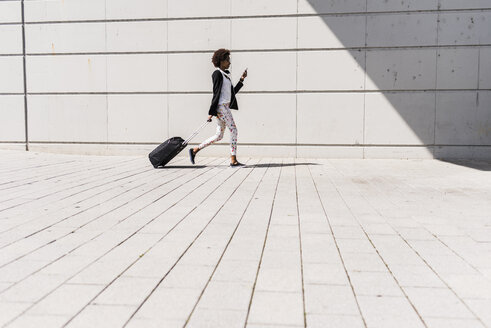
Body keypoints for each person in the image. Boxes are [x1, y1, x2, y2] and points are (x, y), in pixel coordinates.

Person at [188, 48, 248, 167]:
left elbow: (232, 94)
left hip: (224, 107)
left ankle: (194, 150)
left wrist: (241, 80)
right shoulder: (217, 74)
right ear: (221, 61)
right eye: (227, 60)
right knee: (234, 130)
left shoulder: (226, 76)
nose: (229, 62)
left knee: (219, 136)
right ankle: (233, 160)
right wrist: (212, 111)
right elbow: (216, 93)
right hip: (221, 107)